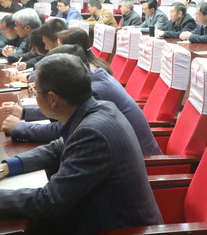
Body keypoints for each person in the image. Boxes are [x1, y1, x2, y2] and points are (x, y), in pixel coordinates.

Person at [0, 54, 162, 235]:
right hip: (92, 228)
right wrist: (10, 165)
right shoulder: (96, 109)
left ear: (52, 99)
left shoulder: (93, 132)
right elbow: (59, 147)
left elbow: (48, 201)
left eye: (36, 92)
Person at [2, 44, 162, 156]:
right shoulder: (96, 76)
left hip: (146, 164)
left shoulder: (95, 91)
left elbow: (63, 129)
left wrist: (19, 128)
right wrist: (24, 112)